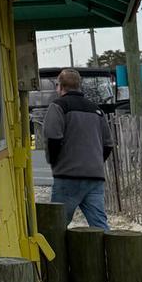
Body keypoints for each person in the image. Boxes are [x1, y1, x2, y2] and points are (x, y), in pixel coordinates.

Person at [43, 68, 112, 229]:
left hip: (68, 175)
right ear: (79, 86)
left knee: (57, 225)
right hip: (95, 177)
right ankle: (108, 245)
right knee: (99, 224)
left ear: (60, 86)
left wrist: (54, 162)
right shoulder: (96, 110)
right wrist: (95, 162)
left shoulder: (58, 106)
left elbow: (53, 138)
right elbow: (108, 144)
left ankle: (57, 247)